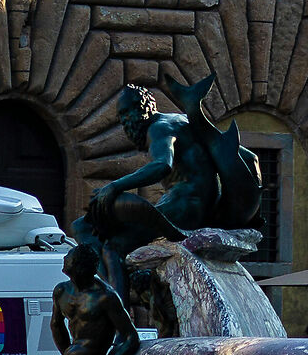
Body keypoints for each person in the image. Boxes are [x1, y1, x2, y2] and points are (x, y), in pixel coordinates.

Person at [76, 78, 261, 310]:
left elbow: (162, 165)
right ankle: (129, 290)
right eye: (121, 117)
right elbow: (249, 157)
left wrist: (114, 186)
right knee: (86, 227)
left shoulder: (158, 128)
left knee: (111, 246)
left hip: (184, 207)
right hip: (193, 206)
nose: (124, 122)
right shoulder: (180, 121)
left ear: (143, 108)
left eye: (126, 113)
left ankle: (116, 315)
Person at [0, 242, 140, 355]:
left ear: (80, 266)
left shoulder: (105, 296)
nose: (65, 257)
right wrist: (67, 354)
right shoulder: (61, 290)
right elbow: (56, 326)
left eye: (69, 257)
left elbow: (132, 338)